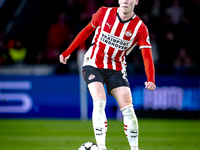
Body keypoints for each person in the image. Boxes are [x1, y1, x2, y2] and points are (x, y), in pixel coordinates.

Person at [59, 0, 156, 150]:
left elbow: (147, 56)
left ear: (136, 1)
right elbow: (86, 30)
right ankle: (102, 147)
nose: (125, 1)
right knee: (99, 101)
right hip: (93, 63)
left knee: (128, 108)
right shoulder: (104, 12)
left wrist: (151, 79)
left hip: (116, 68)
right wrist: (68, 51)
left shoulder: (140, 28)